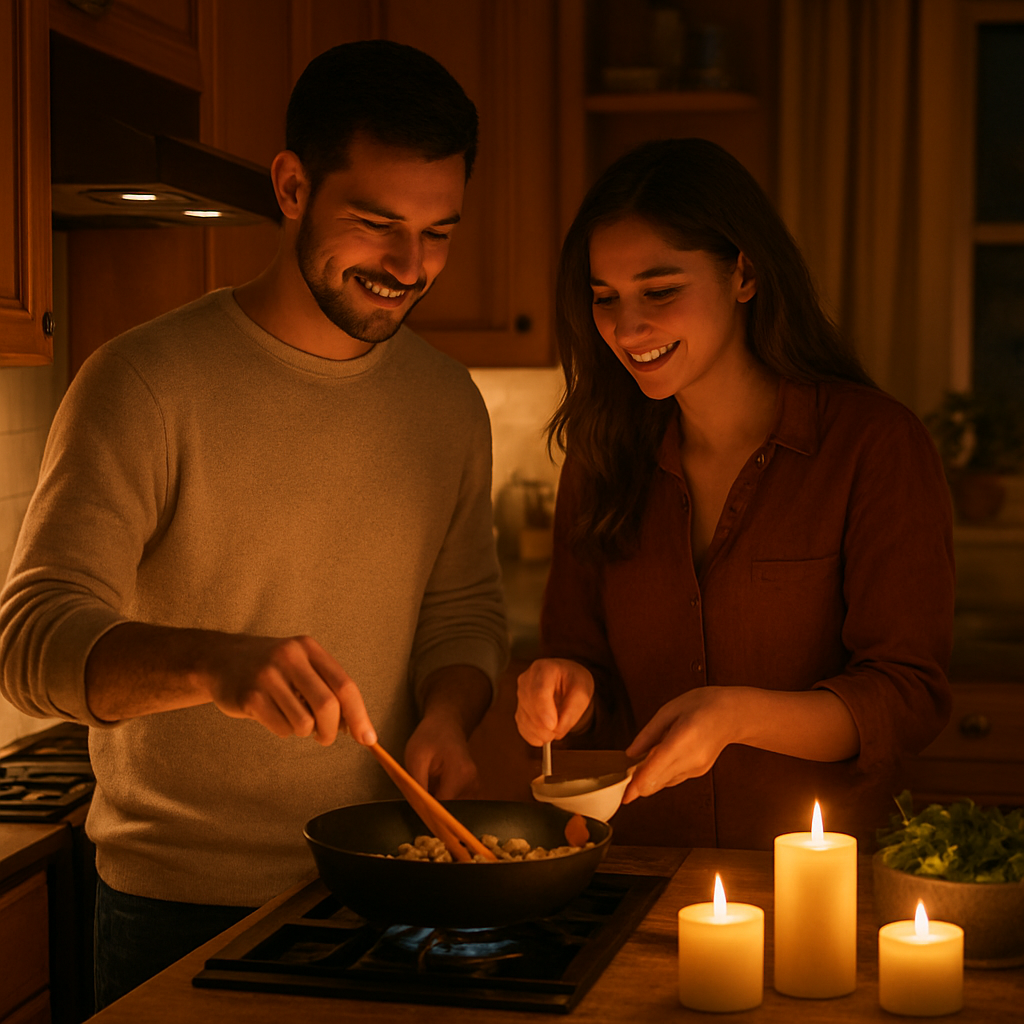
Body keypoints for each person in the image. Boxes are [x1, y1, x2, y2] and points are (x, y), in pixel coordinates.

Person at [0, 40, 508, 1008]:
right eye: (376, 224)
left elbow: (463, 607)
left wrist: (449, 709)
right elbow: (28, 644)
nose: (410, 267)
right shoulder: (143, 381)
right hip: (179, 906)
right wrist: (214, 664)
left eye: (439, 232)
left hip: (388, 889)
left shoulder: (445, 402)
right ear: (289, 186)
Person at [516, 138, 954, 851]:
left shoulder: (872, 445)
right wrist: (565, 685)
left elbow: (906, 697)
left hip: (821, 881)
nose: (627, 328)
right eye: (606, 298)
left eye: (660, 291)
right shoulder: (602, 459)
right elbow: (585, 660)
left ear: (744, 273)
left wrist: (736, 717)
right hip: (646, 868)